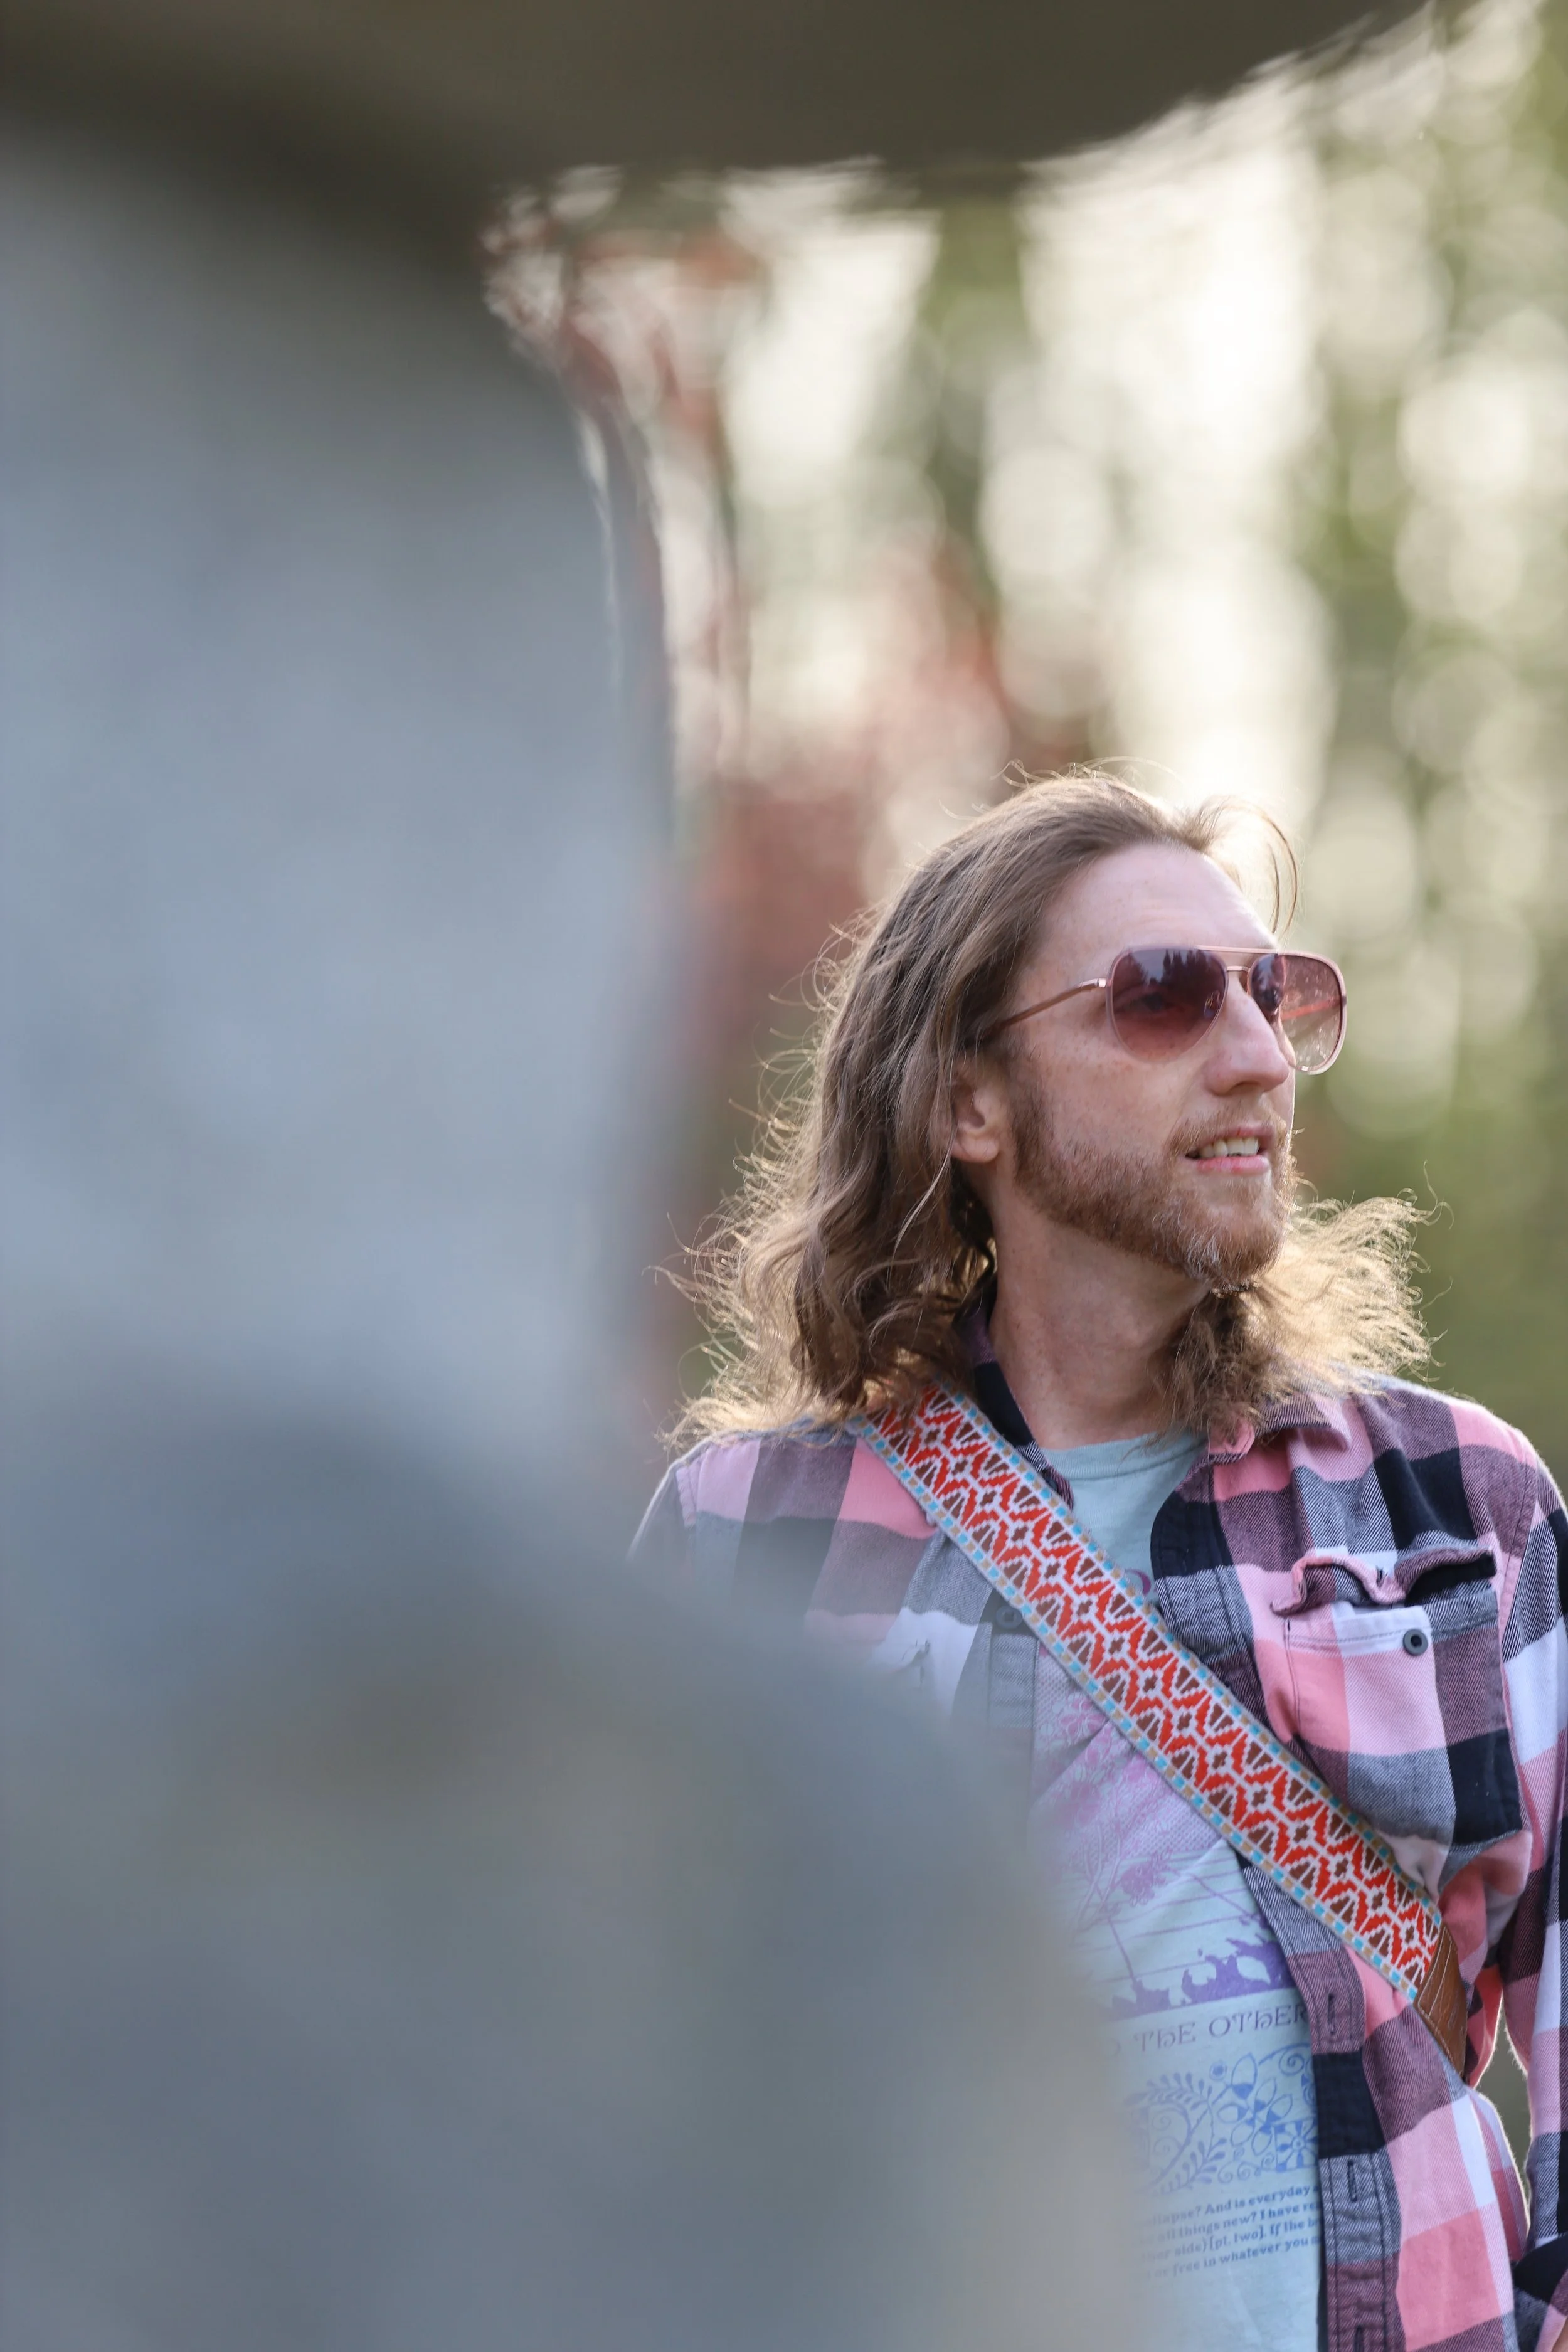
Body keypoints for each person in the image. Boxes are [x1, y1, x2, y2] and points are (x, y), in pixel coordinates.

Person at [633, 772, 1568, 2352]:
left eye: (1275, 996)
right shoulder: (743, 1542)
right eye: (1163, 996)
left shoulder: (1455, 1501)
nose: (1257, 1054)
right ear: (967, 1102)